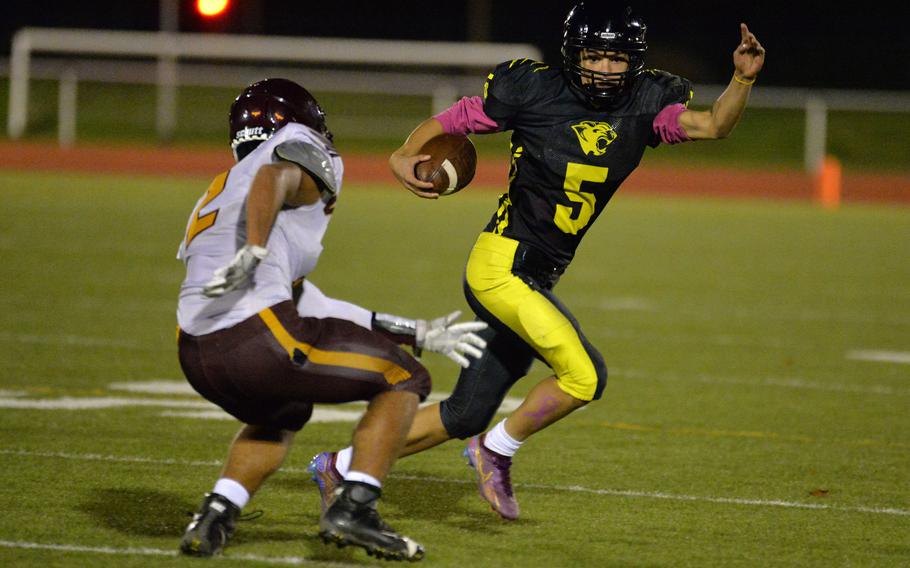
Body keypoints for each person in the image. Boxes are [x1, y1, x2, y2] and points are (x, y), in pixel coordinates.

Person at [310, 2, 766, 521]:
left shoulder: (645, 104)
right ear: (573, 54)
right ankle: (496, 450)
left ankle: (341, 467)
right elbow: (455, 117)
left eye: (617, 59)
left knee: (465, 412)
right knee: (585, 377)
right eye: (595, 56)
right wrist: (403, 152)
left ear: (634, 62)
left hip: (533, 275)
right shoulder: (536, 91)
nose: (606, 69)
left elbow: (713, 125)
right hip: (500, 268)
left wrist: (741, 79)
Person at [176, 77, 487, 561]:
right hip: (254, 334)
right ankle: (356, 506)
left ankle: (215, 516)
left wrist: (414, 330)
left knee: (283, 412)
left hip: (196, 352)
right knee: (404, 377)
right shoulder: (298, 147)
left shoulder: (217, 192)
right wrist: (255, 250)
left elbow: (308, 304)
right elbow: (275, 178)